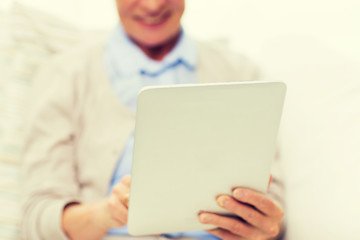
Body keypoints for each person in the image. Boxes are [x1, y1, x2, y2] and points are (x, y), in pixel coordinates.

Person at [21, 0, 284, 239]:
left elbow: (277, 211)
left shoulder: (241, 72)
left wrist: (265, 226)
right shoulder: (64, 75)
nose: (152, 5)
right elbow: (37, 218)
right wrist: (107, 213)